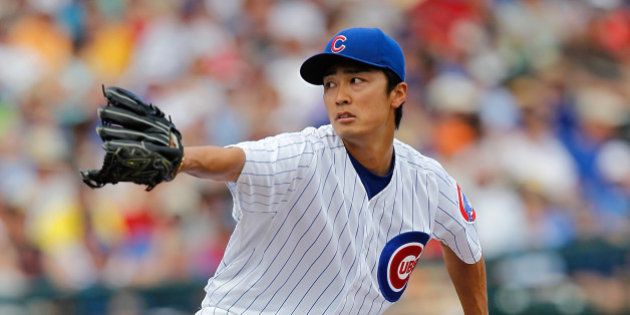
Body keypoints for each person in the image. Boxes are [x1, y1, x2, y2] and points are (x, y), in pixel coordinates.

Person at [178, 27, 487, 315]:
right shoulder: (303, 154)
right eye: (330, 84)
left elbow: (465, 244)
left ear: (398, 93)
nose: (340, 96)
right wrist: (176, 158)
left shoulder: (428, 182)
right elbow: (229, 160)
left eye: (356, 80)